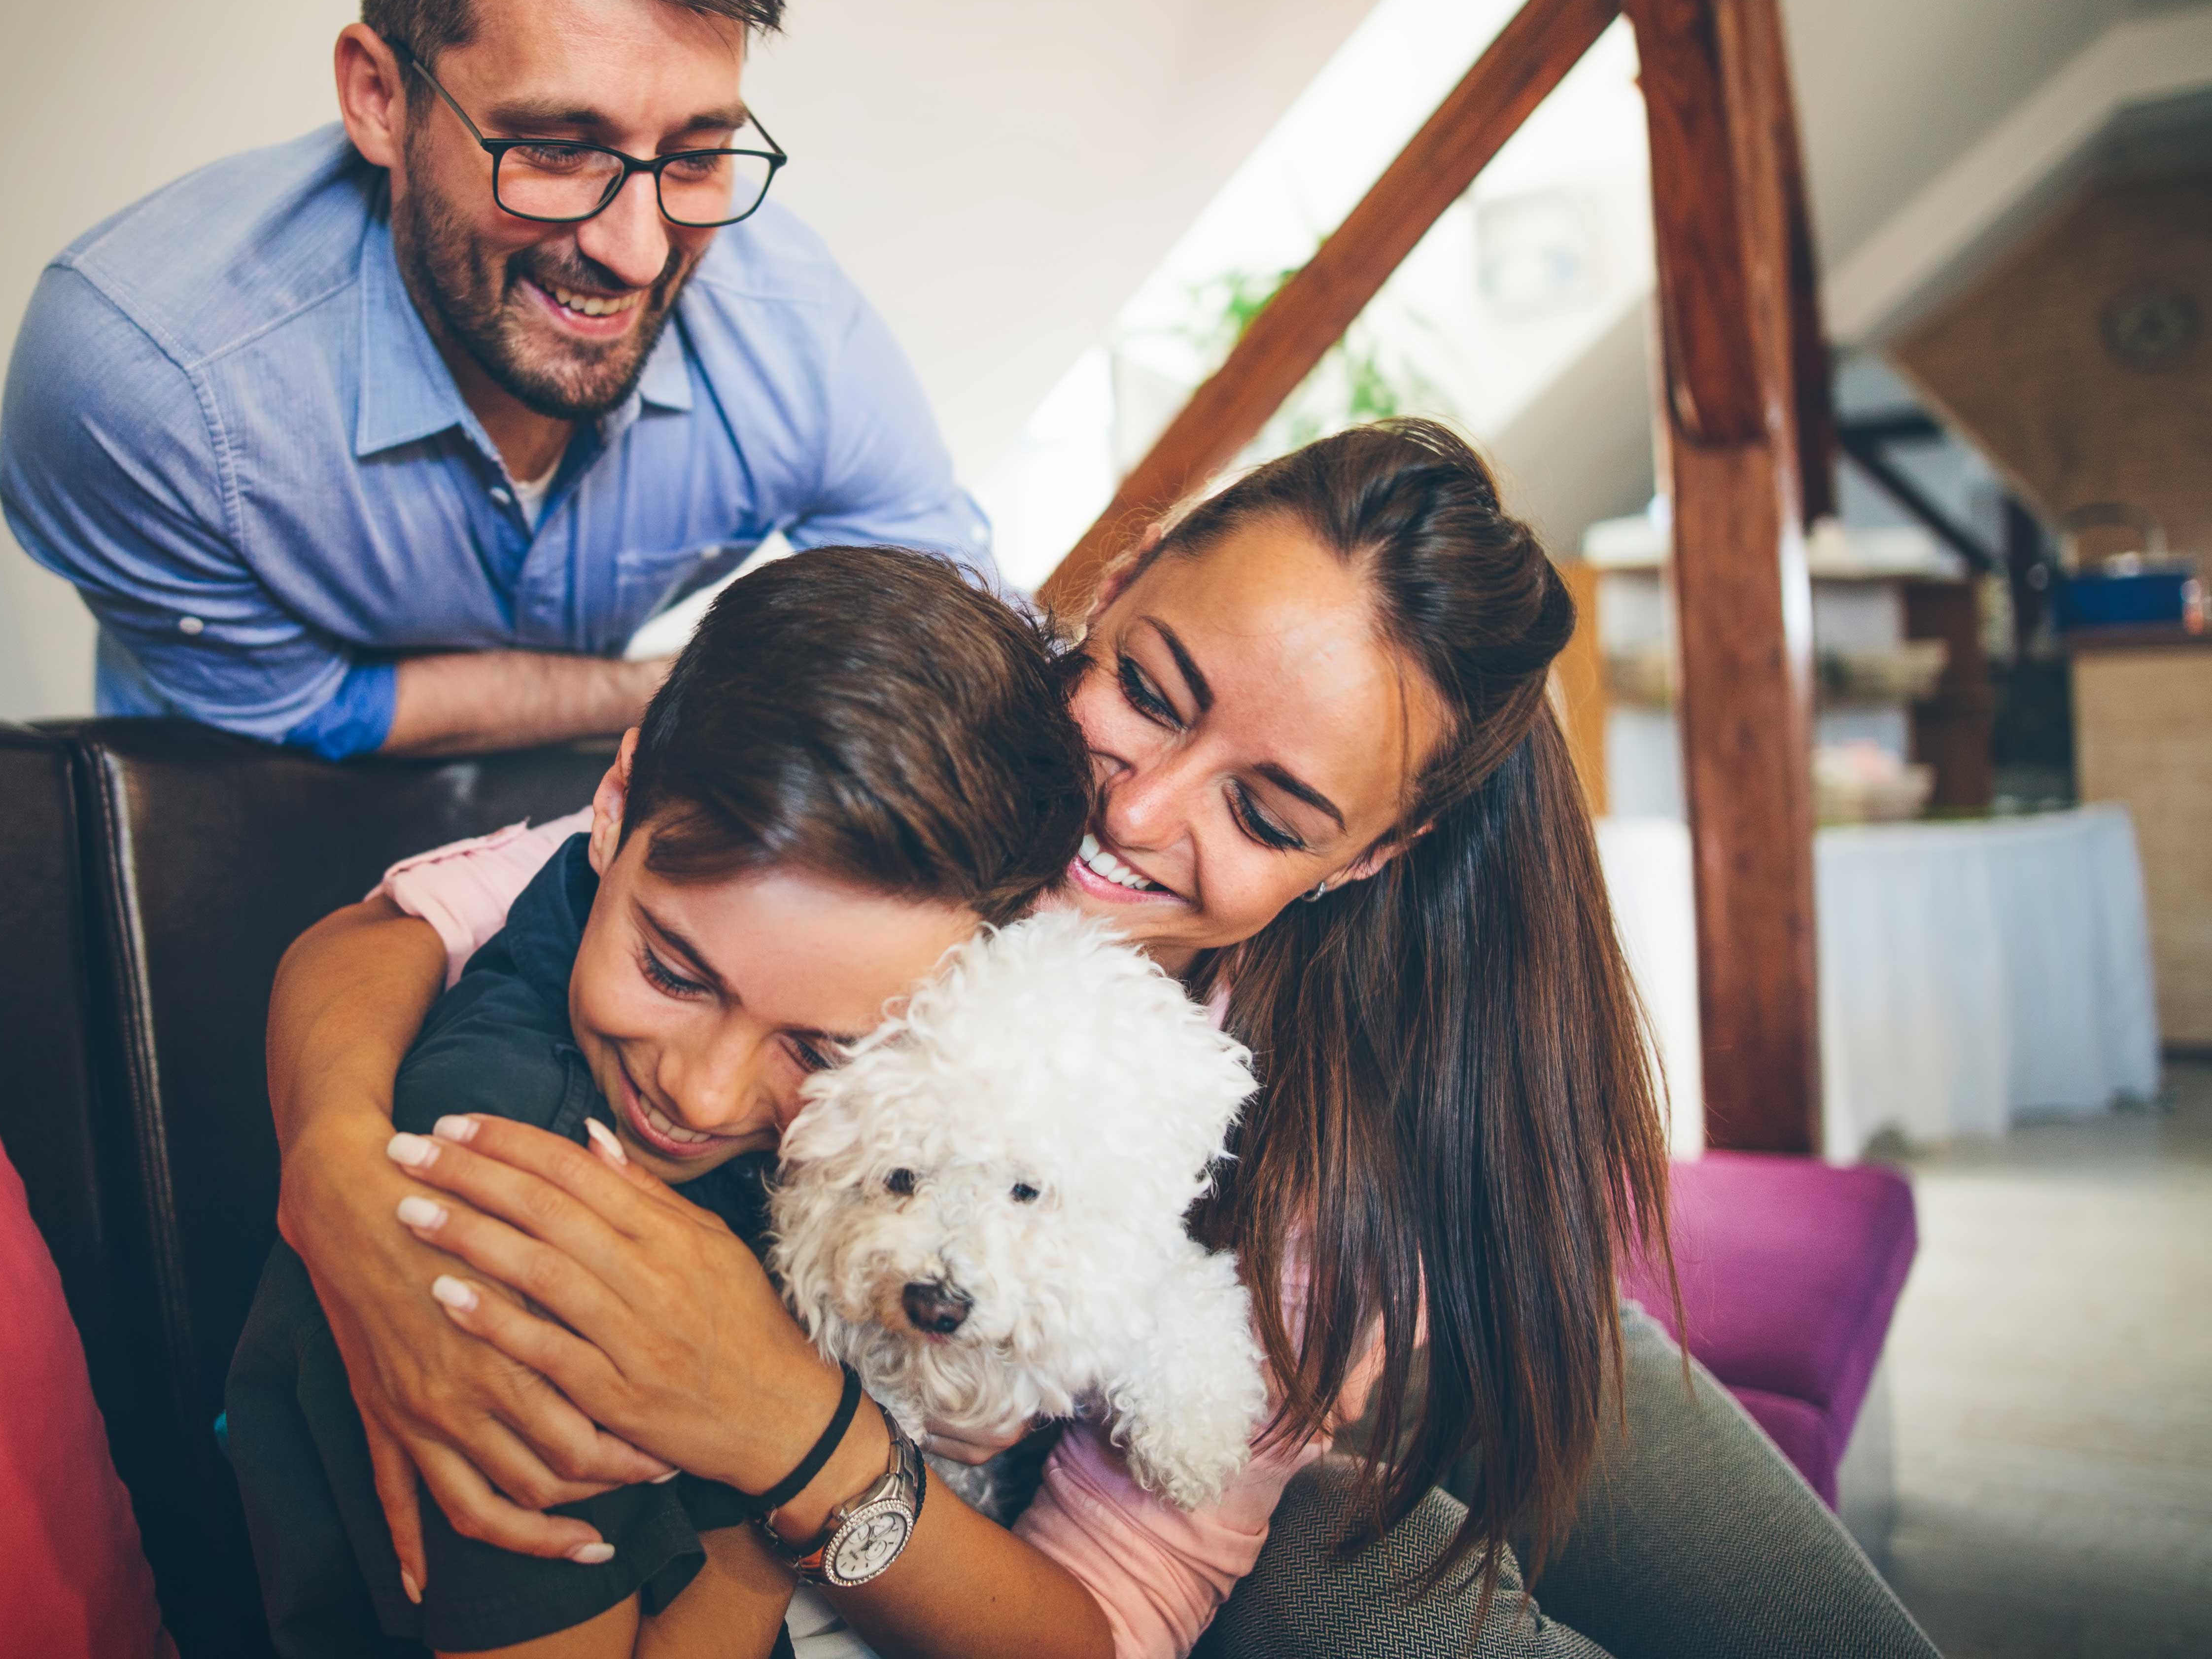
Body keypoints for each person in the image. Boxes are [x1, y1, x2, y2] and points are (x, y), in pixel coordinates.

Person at [269, 422, 1940, 1658]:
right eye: (1147, 686)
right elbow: (408, 930)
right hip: (1170, 1530)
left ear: (1358, 861)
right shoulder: (917, 788)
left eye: (1267, 811)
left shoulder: (1306, 1155)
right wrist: (340, 1174)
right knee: (1371, 1557)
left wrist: (794, 1434)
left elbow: (1123, 1604)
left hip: (1269, 1399)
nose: (1130, 811)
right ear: (1119, 580)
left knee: (1561, 1393)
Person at [228, 543, 1099, 1659]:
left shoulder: (669, 907)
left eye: (825, 1046)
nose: (702, 1091)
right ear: (611, 807)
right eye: (675, 974)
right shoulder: (512, 1219)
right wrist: (771, 1470)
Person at [0, 0, 987, 761]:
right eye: (558, 148)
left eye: (695, 155)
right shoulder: (147, 377)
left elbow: (959, 641)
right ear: (381, 99)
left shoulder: (794, 328)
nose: (638, 254)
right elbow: (311, 710)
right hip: (231, 825)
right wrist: (667, 689)